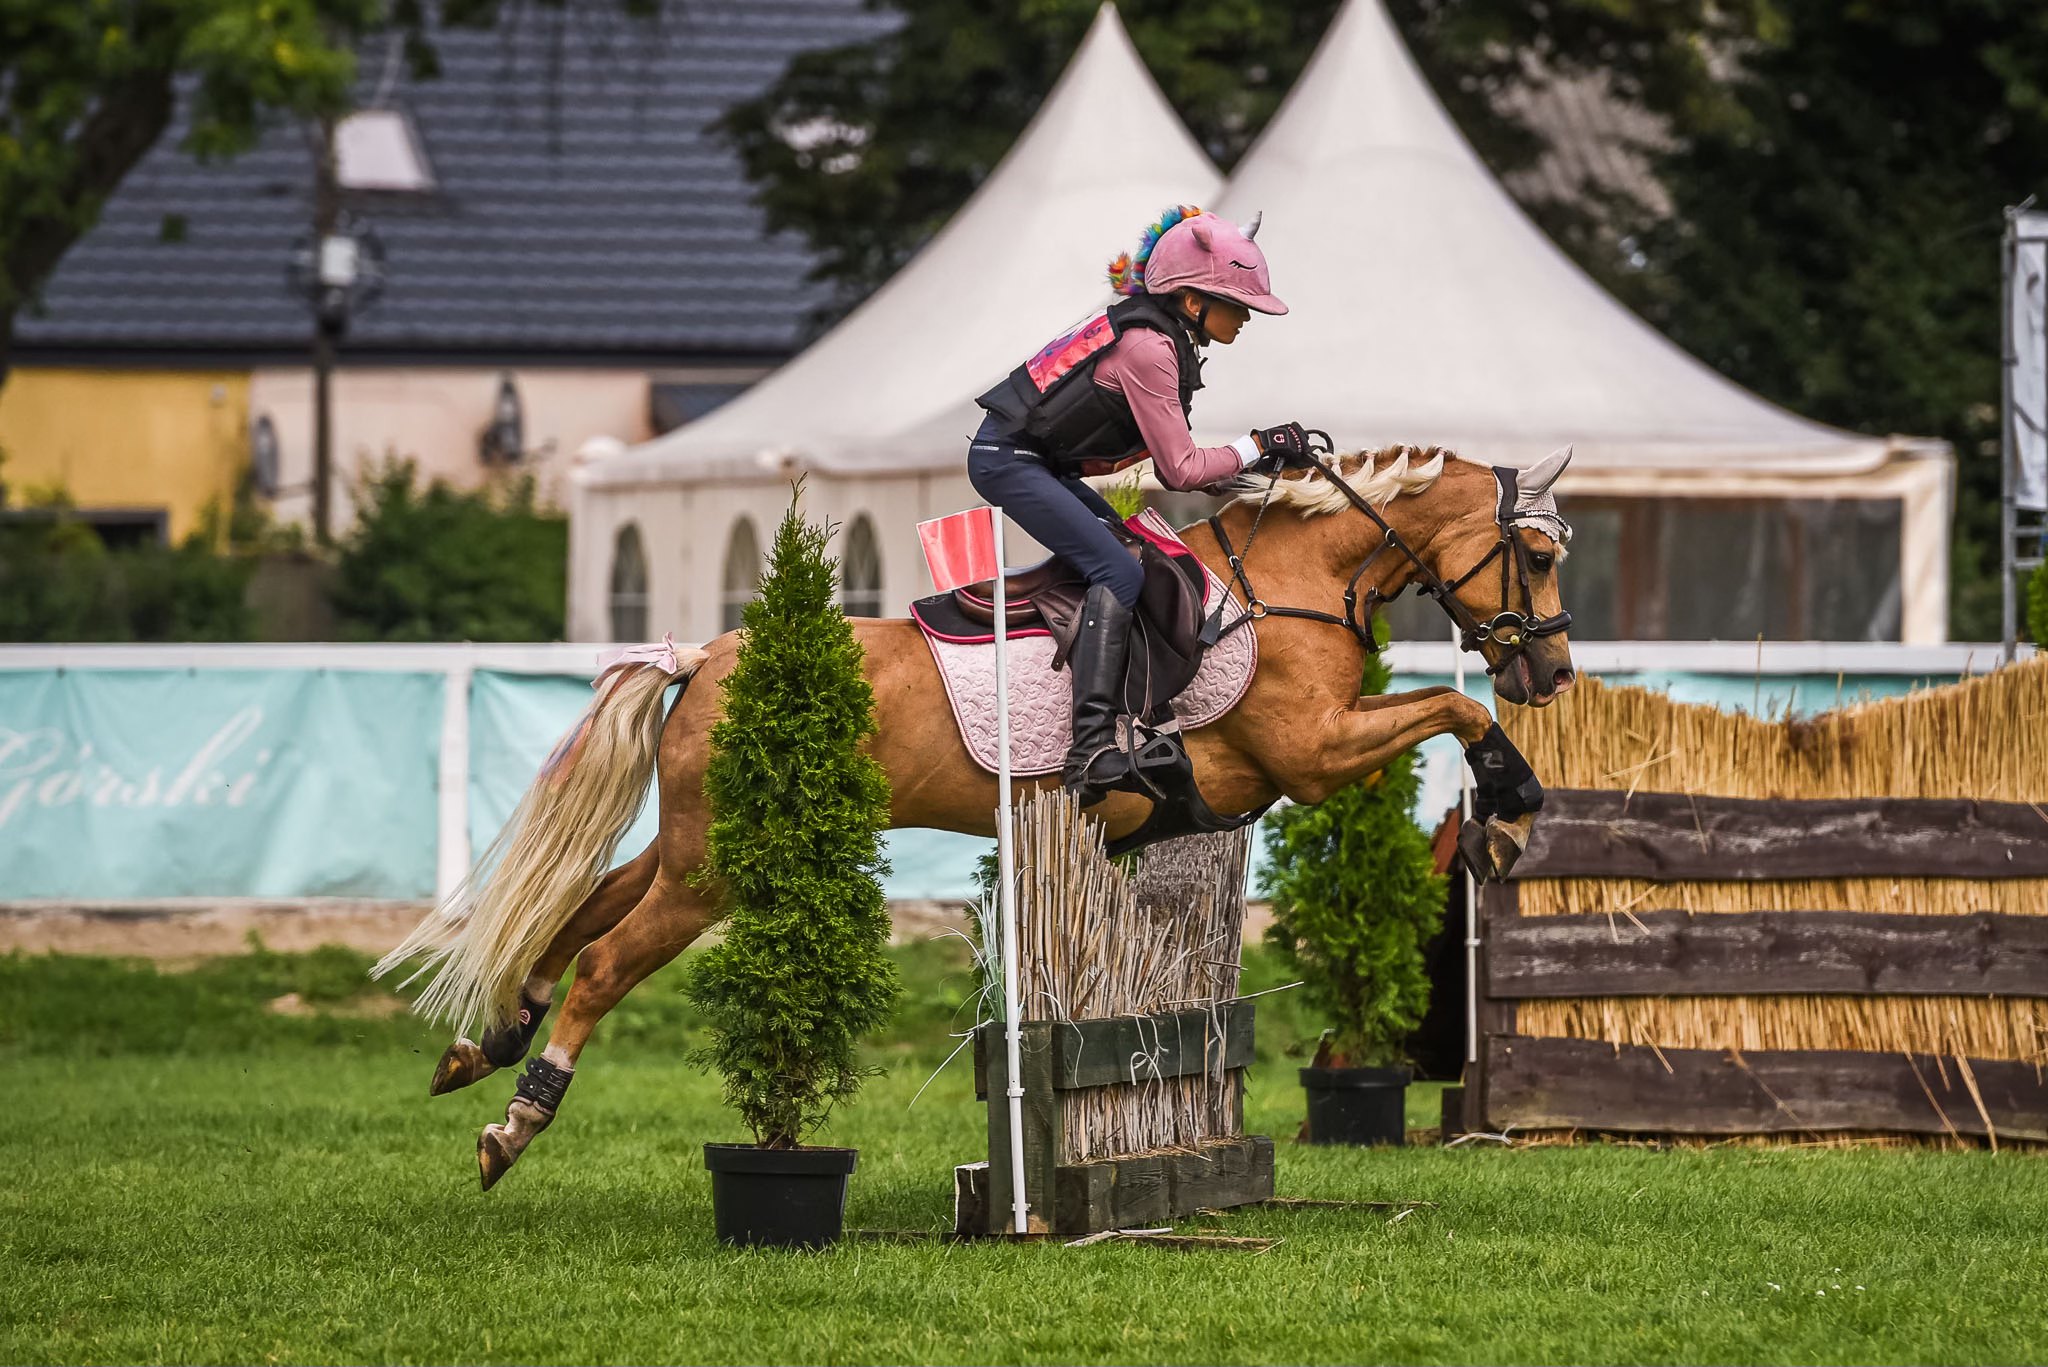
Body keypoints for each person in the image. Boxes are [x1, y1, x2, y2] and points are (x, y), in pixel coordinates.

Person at [973, 205, 1313, 805]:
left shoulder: (1161, 338)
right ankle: (1088, 752)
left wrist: (1253, 467)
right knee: (1120, 571)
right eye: (1237, 303)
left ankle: (1134, 710)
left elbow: (1181, 466)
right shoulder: (1149, 350)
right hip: (1009, 461)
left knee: (1134, 553)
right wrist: (1257, 445)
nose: (1247, 317)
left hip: (1036, 462)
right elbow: (1179, 471)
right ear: (1191, 300)